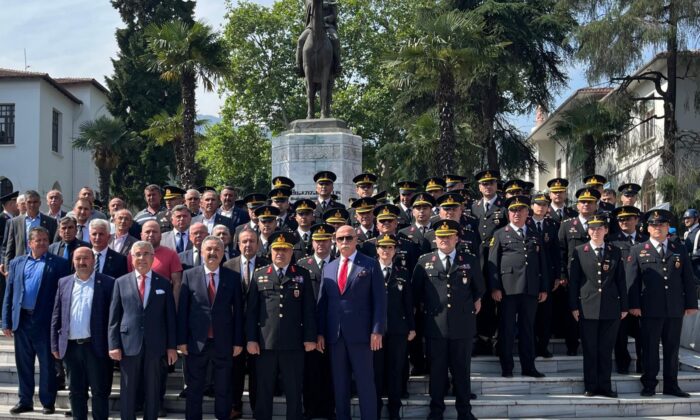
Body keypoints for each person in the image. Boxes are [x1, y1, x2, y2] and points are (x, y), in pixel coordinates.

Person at [412, 220, 483, 420]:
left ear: (457, 238)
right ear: (435, 239)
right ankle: (436, 411)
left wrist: (475, 302)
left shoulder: (468, 260)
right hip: (436, 326)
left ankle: (464, 412)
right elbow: (416, 293)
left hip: (462, 326)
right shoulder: (424, 261)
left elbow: (479, 289)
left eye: (449, 236)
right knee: (437, 372)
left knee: (462, 371)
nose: (444, 240)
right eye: (441, 237)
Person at [317, 225, 386, 420]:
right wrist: (321, 332)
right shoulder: (329, 267)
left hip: (362, 335)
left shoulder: (370, 264)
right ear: (334, 241)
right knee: (340, 385)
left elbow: (380, 301)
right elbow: (323, 303)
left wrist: (377, 330)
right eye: (340, 239)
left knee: (365, 383)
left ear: (356, 240)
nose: (344, 242)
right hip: (335, 336)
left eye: (348, 238)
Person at [627, 209, 699, 397]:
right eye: (654, 225)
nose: (658, 228)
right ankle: (649, 384)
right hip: (649, 309)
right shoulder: (638, 250)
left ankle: (671, 385)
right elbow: (632, 282)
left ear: (668, 228)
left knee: (672, 349)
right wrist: (633, 305)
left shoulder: (679, 249)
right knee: (649, 348)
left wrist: (691, 304)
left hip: (675, 308)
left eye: (662, 225)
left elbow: (688, 279)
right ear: (648, 228)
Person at [246, 231, 316, 420]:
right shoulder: (260, 275)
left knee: (294, 390)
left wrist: (310, 337)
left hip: (293, 343)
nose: (281, 253)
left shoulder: (301, 275)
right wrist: (251, 339)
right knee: (264, 389)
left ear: (292, 252)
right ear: (270, 251)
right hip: (265, 344)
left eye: (285, 250)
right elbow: (252, 311)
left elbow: (309, 309)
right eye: (277, 249)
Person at [2, 226, 70, 415]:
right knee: (23, 364)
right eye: (38, 240)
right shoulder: (17, 262)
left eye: (44, 240)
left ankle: (48, 402)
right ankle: (25, 400)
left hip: (45, 322)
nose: (41, 243)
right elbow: (10, 292)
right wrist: (5, 321)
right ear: (29, 242)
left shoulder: (59, 264)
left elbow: (64, 295)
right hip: (22, 320)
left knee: (47, 364)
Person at [108, 241, 178, 420]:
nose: (142, 258)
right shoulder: (120, 282)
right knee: (128, 390)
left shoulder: (163, 283)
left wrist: (171, 347)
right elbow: (114, 318)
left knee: (153, 391)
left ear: (153, 257)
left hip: (155, 346)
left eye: (146, 254)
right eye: (138, 254)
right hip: (128, 345)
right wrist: (113, 345)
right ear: (131, 258)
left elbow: (169, 317)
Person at [177, 236, 244, 420]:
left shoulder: (233, 277)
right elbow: (183, 310)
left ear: (223, 253)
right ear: (202, 251)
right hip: (196, 343)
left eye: (217, 250)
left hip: (224, 342)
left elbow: (238, 312)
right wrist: (181, 340)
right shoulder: (189, 275)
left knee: (223, 388)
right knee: (195, 389)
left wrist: (238, 341)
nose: (213, 253)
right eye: (209, 249)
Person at [50, 247, 115, 420]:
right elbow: (57, 315)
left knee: (100, 391)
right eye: (77, 258)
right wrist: (55, 344)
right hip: (71, 348)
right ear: (73, 261)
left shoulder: (108, 283)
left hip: (96, 347)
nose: (81, 262)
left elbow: (113, 318)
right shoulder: (63, 282)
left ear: (93, 260)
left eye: (85, 258)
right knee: (76, 391)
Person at [568, 215, 627, 398]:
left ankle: (605, 386)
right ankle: (591, 386)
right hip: (587, 306)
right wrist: (574, 306)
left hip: (611, 307)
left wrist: (624, 306)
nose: (595, 231)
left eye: (599, 228)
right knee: (590, 349)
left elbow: (621, 281)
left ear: (606, 230)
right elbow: (574, 281)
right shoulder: (579, 251)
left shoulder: (614, 251)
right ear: (588, 231)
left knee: (606, 349)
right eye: (592, 228)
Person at [488, 196, 548, 378]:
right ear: (508, 213)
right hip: (507, 290)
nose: (517, 213)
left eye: (520, 210)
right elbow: (492, 263)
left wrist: (543, 287)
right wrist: (495, 287)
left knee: (527, 329)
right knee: (506, 329)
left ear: (527, 212)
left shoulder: (533, 233)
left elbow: (542, 262)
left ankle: (528, 366)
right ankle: (507, 367)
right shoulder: (500, 234)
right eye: (513, 210)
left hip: (530, 289)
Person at [223, 228, 269, 419]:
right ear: (238, 244)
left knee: (258, 371)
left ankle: (257, 407)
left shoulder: (267, 265)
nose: (248, 245)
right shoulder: (227, 266)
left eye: (252, 241)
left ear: (258, 244)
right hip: (235, 327)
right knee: (235, 369)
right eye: (244, 241)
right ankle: (235, 405)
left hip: (261, 327)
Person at [372, 233, 415, 420]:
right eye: (383, 247)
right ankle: (375, 408)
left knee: (396, 371)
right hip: (376, 332)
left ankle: (394, 410)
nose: (386, 251)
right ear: (377, 250)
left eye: (390, 247)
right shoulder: (369, 272)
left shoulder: (403, 273)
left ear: (395, 250)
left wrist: (412, 327)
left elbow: (408, 302)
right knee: (376, 371)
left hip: (398, 330)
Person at [296, 223, 335, 419]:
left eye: (325, 240)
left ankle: (329, 410)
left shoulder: (338, 263)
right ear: (312, 243)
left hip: (334, 327)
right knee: (310, 372)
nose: (321, 244)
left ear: (331, 242)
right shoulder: (302, 265)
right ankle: (310, 410)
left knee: (332, 372)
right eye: (317, 241)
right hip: (309, 327)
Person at [557, 187, 600, 356]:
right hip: (573, 276)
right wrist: (561, 275)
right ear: (577, 206)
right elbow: (560, 251)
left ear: (596, 205)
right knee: (572, 312)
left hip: (595, 276)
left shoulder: (601, 225)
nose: (586, 205)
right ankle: (572, 345)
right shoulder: (567, 225)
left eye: (590, 202)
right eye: (583, 202)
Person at [471, 170, 507, 356]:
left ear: (496, 185)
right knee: (481, 301)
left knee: (498, 303)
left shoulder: (505, 207)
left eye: (491, 183)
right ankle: (481, 340)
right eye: (484, 184)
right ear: (479, 187)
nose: (488, 186)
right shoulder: (474, 207)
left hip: (498, 261)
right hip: (479, 261)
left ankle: (496, 341)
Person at [609, 206, 647, 374]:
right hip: (620, 294)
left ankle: (642, 364)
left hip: (642, 294)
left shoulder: (645, 240)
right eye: (621, 219)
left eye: (628, 218)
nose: (624, 222)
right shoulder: (611, 241)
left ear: (636, 220)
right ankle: (622, 364)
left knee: (643, 333)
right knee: (620, 334)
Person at [528, 193, 561, 358]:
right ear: (532, 206)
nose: (541, 207)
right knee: (530, 314)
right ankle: (531, 346)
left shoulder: (552, 225)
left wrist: (557, 276)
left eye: (544, 204)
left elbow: (556, 252)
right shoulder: (525, 224)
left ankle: (543, 346)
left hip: (547, 274)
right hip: (528, 275)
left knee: (546, 314)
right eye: (538, 204)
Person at [1, 190, 58, 277]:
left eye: (35, 202)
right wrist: (7, 267)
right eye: (29, 202)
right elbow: (9, 246)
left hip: (43, 264)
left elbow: (53, 245)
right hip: (20, 265)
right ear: (25, 204)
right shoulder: (15, 222)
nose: (32, 205)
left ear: (39, 203)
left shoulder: (51, 222)